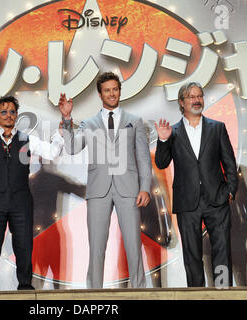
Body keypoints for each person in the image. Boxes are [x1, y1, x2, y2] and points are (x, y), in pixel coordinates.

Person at [58, 71, 152, 289]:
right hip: (98, 189)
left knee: (133, 244)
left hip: (128, 189)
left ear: (119, 91)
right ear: (100, 94)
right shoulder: (88, 123)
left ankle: (139, 291)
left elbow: (143, 158)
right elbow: (72, 148)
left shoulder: (134, 121)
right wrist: (67, 119)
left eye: (115, 89)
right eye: (107, 90)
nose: (112, 94)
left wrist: (145, 187)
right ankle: (94, 293)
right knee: (97, 246)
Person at [0, 96, 64, 291]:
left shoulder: (27, 139)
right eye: (4, 112)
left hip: (21, 200)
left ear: (17, 115)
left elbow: (53, 152)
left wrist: (60, 135)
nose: (8, 115)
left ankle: (25, 286)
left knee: (23, 245)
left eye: (12, 112)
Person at [154, 82, 238, 287]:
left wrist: (230, 191)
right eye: (191, 97)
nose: (196, 100)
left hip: (217, 199)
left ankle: (223, 292)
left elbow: (229, 163)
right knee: (192, 254)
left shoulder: (217, 128)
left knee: (222, 251)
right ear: (181, 102)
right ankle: (197, 294)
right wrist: (163, 141)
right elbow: (161, 163)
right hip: (187, 202)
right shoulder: (171, 132)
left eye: (199, 96)